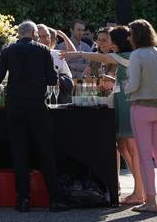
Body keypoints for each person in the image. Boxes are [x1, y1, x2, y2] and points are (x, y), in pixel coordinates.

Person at [0, 21, 68, 212]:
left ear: (20, 34)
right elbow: (52, 80)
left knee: (19, 152)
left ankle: (23, 199)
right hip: (37, 105)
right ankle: (55, 198)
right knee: (46, 151)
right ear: (33, 33)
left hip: (15, 106)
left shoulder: (8, 50)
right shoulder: (43, 50)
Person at [61, 25, 145, 205]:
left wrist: (74, 54)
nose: (103, 43)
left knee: (131, 148)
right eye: (100, 40)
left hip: (125, 103)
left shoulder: (122, 56)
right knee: (124, 148)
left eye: (109, 40)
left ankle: (140, 190)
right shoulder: (127, 56)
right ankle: (138, 189)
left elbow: (104, 59)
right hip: (119, 102)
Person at [125, 19, 157, 214]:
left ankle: (150, 201)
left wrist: (122, 87)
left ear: (136, 36)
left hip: (141, 107)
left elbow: (134, 84)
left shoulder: (137, 55)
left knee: (145, 156)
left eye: (130, 34)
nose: (128, 37)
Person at [37, 24, 73, 103]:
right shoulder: (27, 56)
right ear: (35, 38)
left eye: (48, 36)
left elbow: (69, 80)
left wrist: (59, 79)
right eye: (43, 37)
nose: (47, 39)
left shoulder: (57, 55)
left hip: (55, 99)